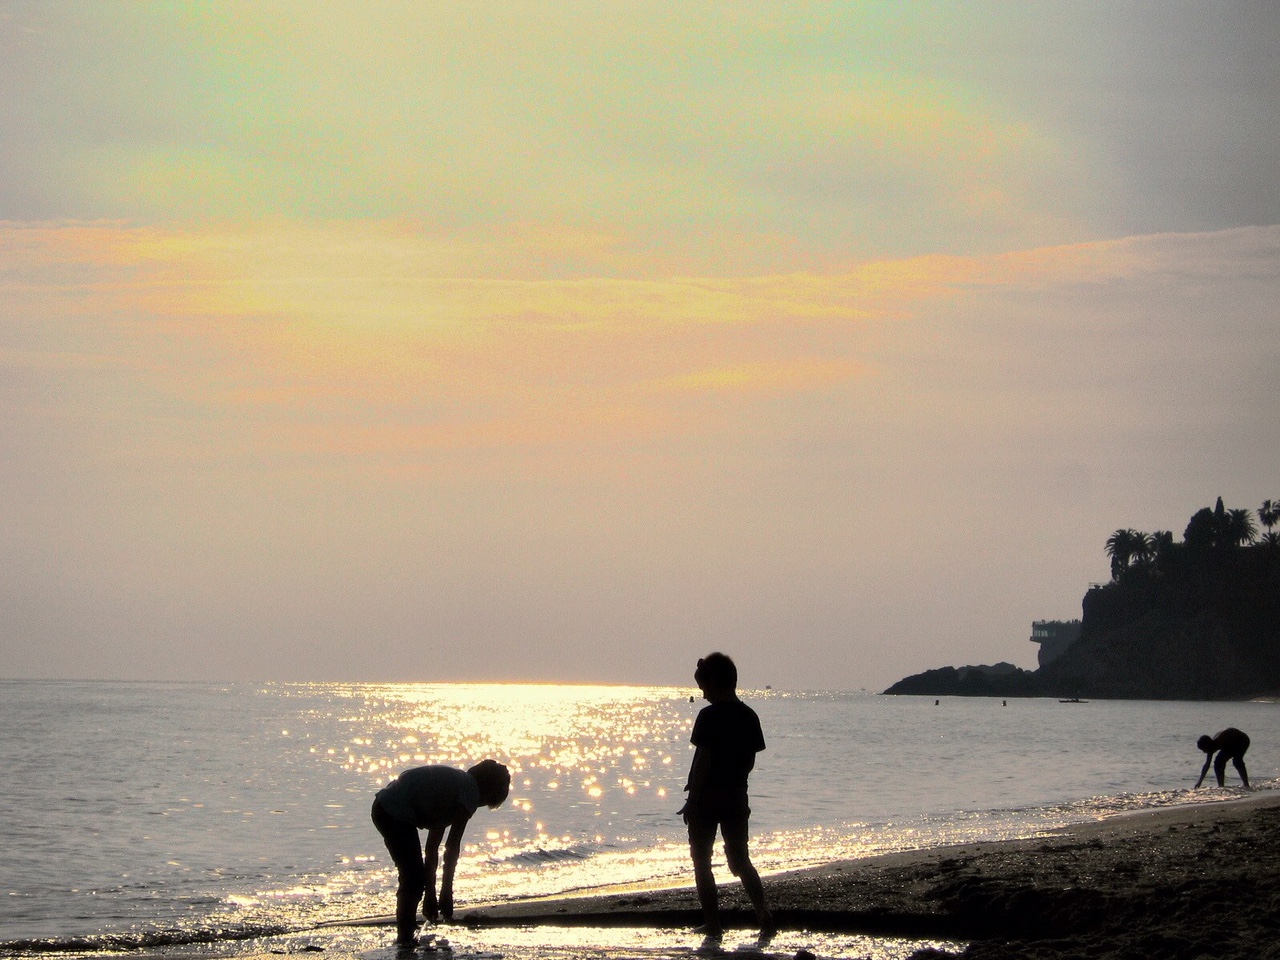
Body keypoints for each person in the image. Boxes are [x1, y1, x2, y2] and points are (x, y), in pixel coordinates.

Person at [679, 652, 774, 936]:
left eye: (704, 687)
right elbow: (750, 762)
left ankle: (713, 922)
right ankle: (763, 913)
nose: (702, 694)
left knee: (702, 860)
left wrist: (692, 799)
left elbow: (703, 758)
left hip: (707, 797)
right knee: (740, 861)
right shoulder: (749, 716)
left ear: (715, 683)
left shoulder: (708, 716)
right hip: (736, 795)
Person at [371, 760, 511, 946]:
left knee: (413, 875)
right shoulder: (469, 791)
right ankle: (404, 938)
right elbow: (451, 848)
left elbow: (432, 848)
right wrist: (445, 894)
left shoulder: (455, 787)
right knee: (413, 876)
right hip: (393, 811)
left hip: (384, 806)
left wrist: (431, 894)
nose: (476, 807)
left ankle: (407, 933)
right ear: (489, 792)